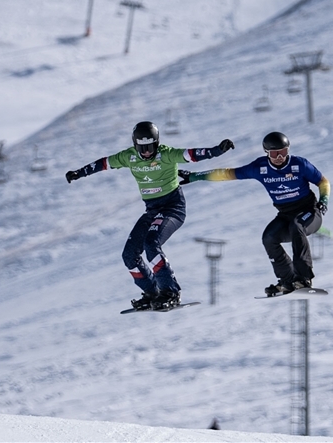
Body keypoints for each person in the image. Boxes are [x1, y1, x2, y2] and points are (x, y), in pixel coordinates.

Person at [65, 121, 234, 311]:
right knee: (129, 254)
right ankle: (152, 292)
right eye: (142, 148)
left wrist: (217, 150)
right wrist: (80, 173)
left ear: (157, 143)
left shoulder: (166, 154)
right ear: (135, 145)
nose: (146, 152)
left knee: (151, 243)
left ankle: (171, 292)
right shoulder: (128, 156)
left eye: (151, 146)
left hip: (172, 208)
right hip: (152, 210)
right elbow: (103, 163)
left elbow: (192, 155)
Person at [181, 132, 330, 296]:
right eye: (274, 153)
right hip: (285, 215)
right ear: (267, 152)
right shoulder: (260, 168)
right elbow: (228, 173)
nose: (280, 157)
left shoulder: (299, 164)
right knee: (269, 238)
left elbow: (323, 182)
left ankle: (303, 278)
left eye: (283, 152)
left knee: (297, 225)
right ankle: (287, 281)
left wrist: (324, 201)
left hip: (310, 213)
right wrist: (195, 176)